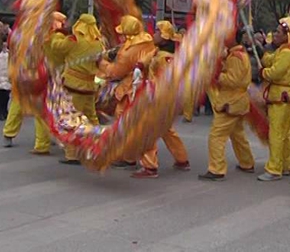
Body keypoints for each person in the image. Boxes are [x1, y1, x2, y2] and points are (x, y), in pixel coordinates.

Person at [131, 21, 190, 179]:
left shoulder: (165, 58)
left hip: (158, 97)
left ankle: (150, 166)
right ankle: (182, 159)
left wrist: (147, 87)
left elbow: (165, 81)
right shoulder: (160, 52)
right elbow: (150, 57)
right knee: (167, 130)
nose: (154, 34)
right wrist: (140, 65)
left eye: (157, 31)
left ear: (164, 37)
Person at [3, 11, 67, 154]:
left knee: (29, 106)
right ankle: (40, 142)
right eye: (60, 22)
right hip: (34, 74)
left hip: (35, 75)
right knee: (30, 106)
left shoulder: (29, 33)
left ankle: (13, 134)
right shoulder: (46, 36)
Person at [100, 15, 156, 168]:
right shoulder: (147, 40)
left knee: (125, 121)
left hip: (131, 89)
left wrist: (102, 63)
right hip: (146, 86)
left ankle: (140, 161)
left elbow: (116, 71)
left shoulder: (128, 52)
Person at [199, 28, 255, 181]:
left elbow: (233, 80)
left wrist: (218, 74)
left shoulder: (235, 57)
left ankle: (216, 169)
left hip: (231, 101)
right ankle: (247, 163)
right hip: (238, 101)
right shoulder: (238, 54)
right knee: (238, 134)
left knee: (216, 136)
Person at [51, 14, 105, 165]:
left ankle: (72, 154)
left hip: (73, 86)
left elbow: (56, 47)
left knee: (71, 120)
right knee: (92, 119)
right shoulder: (98, 43)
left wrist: (58, 33)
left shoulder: (74, 40)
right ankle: (98, 148)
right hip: (89, 87)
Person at [257, 16, 290, 182]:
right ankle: (285, 164)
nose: (275, 34)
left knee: (276, 133)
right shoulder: (289, 50)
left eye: (278, 32)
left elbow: (275, 72)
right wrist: (261, 52)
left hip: (280, 96)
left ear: (287, 35)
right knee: (284, 133)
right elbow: (269, 59)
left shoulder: (287, 53)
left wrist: (263, 72)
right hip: (287, 97)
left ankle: (274, 169)